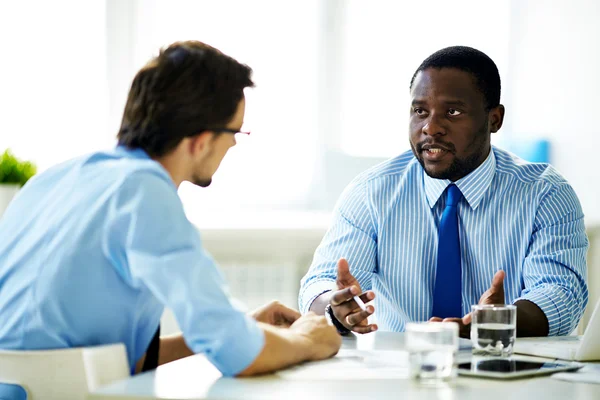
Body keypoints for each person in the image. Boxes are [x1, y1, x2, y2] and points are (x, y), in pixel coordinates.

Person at [0, 40, 341, 379]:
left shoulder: (55, 179)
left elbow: (112, 362)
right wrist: (305, 340)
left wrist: (242, 329)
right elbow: (239, 357)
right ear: (201, 140)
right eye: (235, 131)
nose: (235, 143)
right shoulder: (144, 192)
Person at [299, 46, 588, 339]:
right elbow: (321, 284)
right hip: (401, 371)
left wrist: (497, 321)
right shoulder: (371, 192)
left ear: (494, 119)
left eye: (453, 112)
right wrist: (335, 309)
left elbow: (562, 293)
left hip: (503, 364)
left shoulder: (545, 194)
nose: (431, 127)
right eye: (420, 111)